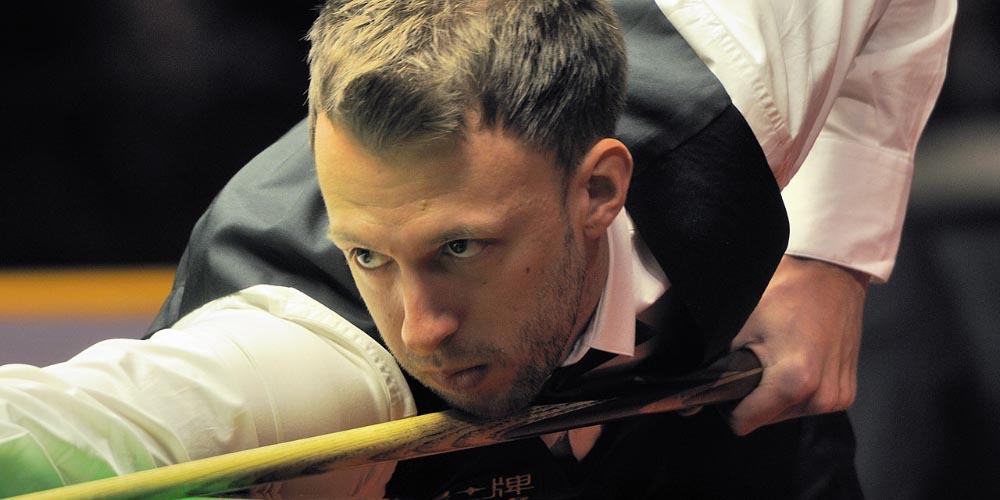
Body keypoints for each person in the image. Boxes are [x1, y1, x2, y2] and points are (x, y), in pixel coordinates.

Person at [0, 0, 954, 498]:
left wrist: (829, 252)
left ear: (599, 190)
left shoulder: (736, 79)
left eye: (459, 247)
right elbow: (85, 430)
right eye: (369, 256)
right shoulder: (303, 351)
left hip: (724, 434)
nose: (422, 328)